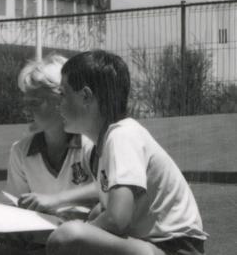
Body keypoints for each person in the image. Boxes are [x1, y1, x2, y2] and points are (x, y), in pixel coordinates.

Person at [47, 50, 208, 255]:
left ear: (86, 96)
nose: (58, 104)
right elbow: (107, 211)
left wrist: (77, 233)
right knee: (74, 232)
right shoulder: (100, 149)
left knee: (67, 237)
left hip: (173, 248)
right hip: (152, 244)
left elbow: (117, 219)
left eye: (63, 94)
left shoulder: (122, 136)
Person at [0, 54, 97, 255]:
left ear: (61, 99)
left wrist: (56, 200)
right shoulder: (21, 150)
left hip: (83, 237)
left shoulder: (89, 143)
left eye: (35, 102)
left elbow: (109, 189)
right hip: (39, 234)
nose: (26, 108)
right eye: (26, 101)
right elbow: (16, 204)